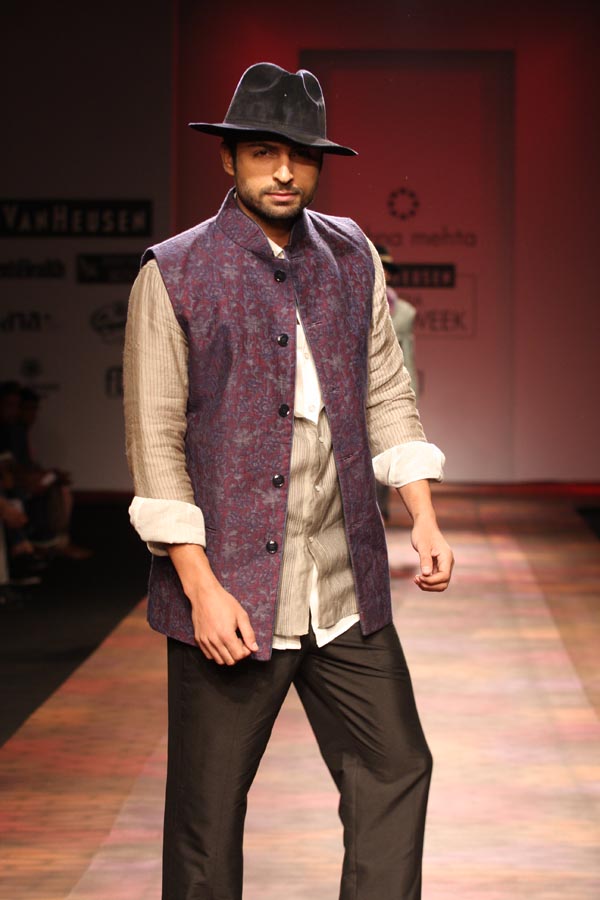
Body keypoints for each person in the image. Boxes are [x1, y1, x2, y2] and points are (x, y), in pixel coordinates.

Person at [124, 62, 454, 900]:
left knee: (396, 769)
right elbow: (156, 443)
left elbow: (386, 391)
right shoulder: (174, 271)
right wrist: (200, 589)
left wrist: (422, 513)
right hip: (231, 596)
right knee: (205, 822)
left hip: (343, 589)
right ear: (228, 159)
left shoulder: (352, 256)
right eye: (264, 152)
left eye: (301, 155)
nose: (284, 172)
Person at [374, 246, 419, 520]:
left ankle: (380, 506)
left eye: (388, 269)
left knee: (385, 446)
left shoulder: (404, 313)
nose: (384, 273)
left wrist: (410, 392)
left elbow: (407, 353)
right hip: (356, 386)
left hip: (388, 383)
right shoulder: (351, 302)